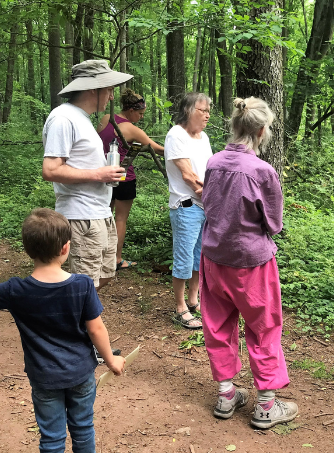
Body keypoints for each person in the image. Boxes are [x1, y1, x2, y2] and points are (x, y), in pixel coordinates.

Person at [0, 208, 126, 453]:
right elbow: (96, 330)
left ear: (28, 249)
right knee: (83, 427)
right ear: (66, 248)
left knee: (51, 437)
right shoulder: (82, 285)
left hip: (44, 377)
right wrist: (111, 360)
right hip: (81, 373)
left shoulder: (16, 290)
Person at [200, 97, 297, 429]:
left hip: (214, 258)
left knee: (217, 324)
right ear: (260, 130)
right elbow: (274, 223)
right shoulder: (262, 171)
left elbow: (208, 205)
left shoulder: (213, 162)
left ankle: (226, 394)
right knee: (264, 327)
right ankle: (267, 406)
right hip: (252, 264)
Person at [42, 60, 132, 291]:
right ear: (94, 88)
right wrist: (98, 174)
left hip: (100, 213)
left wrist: (106, 173)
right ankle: (73, 324)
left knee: (104, 276)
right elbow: (50, 170)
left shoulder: (82, 119)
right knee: (84, 285)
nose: (112, 97)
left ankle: (76, 320)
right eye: (110, 89)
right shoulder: (63, 118)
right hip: (81, 216)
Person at [97, 89, 165, 270]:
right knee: (120, 219)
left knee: (104, 215)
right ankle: (116, 259)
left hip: (104, 173)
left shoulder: (105, 119)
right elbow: (157, 149)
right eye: (140, 113)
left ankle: (100, 255)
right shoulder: (131, 129)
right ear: (131, 111)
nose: (141, 117)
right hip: (124, 176)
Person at [164, 92, 214, 329]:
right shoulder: (176, 135)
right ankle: (180, 307)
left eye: (208, 110)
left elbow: (209, 170)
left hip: (205, 206)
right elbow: (189, 176)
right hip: (187, 205)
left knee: (198, 256)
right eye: (202, 110)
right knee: (183, 257)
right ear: (187, 111)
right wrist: (212, 197)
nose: (207, 115)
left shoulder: (203, 137)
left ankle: (194, 300)